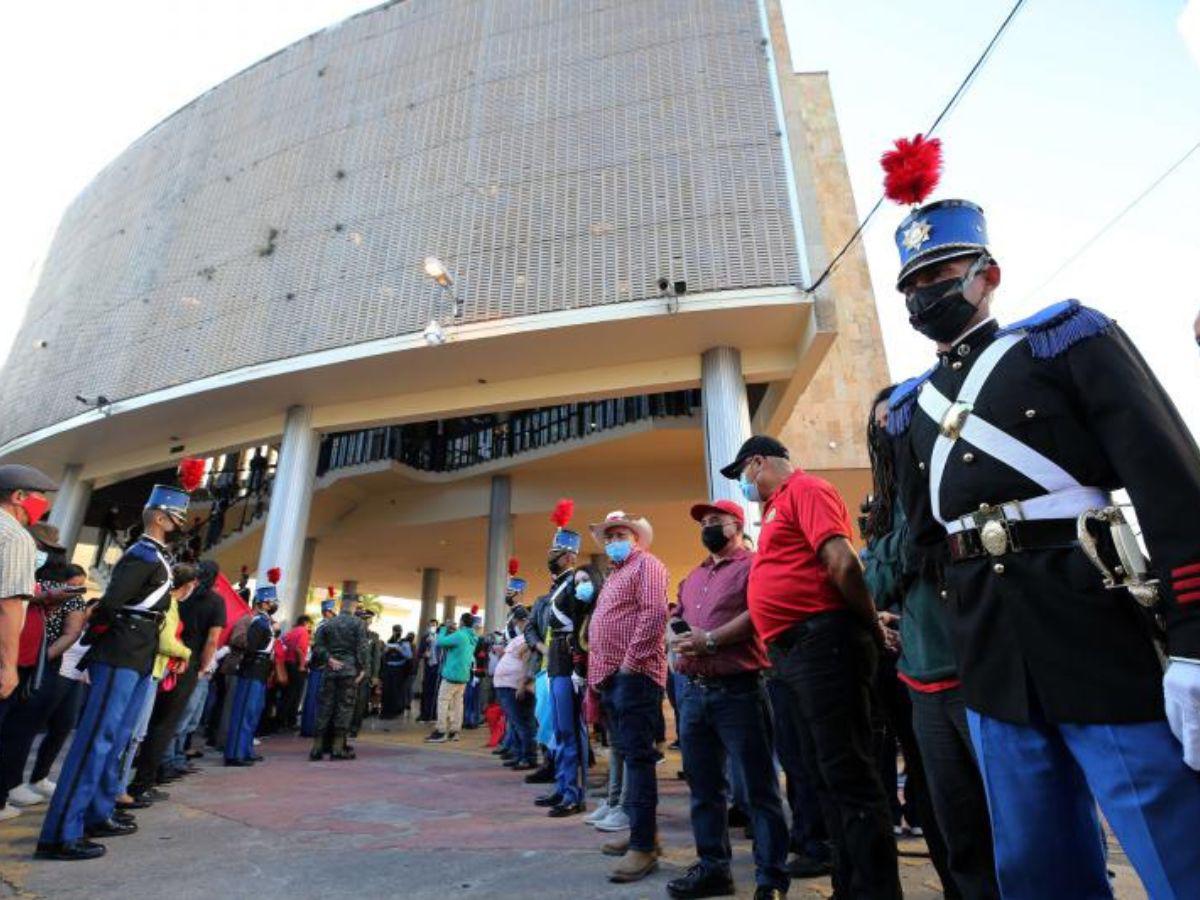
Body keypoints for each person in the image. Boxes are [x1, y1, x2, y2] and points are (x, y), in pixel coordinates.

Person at [882, 169, 1200, 896]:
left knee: (1172, 843)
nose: (923, 294)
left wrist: (1192, 642)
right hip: (991, 652)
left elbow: (1170, 486)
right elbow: (927, 544)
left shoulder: (1062, 343)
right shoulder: (911, 410)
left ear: (987, 275)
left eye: (939, 273)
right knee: (1034, 864)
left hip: (1091, 627)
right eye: (911, 284)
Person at [722, 436, 901, 899]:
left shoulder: (807, 490)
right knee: (821, 777)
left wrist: (870, 625)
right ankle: (849, 886)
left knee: (849, 775)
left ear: (759, 461)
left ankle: (874, 891)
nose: (745, 484)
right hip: (793, 655)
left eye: (743, 473)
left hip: (823, 645)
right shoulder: (777, 507)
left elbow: (842, 564)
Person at [862, 388, 998, 900]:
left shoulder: (956, 479)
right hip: (921, 680)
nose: (888, 434)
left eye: (897, 423)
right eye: (880, 427)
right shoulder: (887, 505)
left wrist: (911, 544)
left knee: (1013, 818)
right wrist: (912, 541)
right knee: (956, 826)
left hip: (978, 676)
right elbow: (875, 579)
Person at [36, 466, 199, 861]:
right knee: (98, 739)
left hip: (139, 653)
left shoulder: (158, 557)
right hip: (122, 650)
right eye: (177, 518)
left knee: (118, 738)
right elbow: (111, 604)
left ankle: (96, 811)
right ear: (160, 517)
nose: (180, 525)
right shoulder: (142, 555)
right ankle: (61, 832)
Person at [667, 499, 790, 900]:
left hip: (739, 691)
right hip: (694, 695)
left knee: (758, 789)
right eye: (703, 522)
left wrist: (712, 639)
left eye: (715, 521)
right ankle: (714, 868)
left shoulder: (754, 566)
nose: (707, 527)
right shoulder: (694, 576)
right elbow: (677, 616)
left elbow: (759, 613)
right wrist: (677, 637)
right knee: (704, 789)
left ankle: (770, 877)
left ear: (736, 525)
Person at [586, 510, 669, 884]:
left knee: (638, 758)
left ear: (635, 538)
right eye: (608, 536)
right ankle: (642, 833)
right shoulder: (616, 575)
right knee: (628, 755)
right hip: (614, 679)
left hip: (634, 677)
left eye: (620, 534)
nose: (613, 541)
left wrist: (630, 665)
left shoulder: (647, 565)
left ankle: (643, 847)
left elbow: (653, 614)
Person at [0, 546, 87, 818]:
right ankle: (10, 787)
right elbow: (72, 632)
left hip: (23, 658)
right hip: (32, 663)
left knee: (17, 728)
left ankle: (11, 786)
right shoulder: (50, 592)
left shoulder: (28, 584)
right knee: (20, 729)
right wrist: (44, 657)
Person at [117, 564, 194, 806]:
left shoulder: (170, 604)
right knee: (133, 734)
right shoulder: (168, 604)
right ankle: (116, 791)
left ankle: (118, 789)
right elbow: (165, 641)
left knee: (135, 733)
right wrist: (186, 653)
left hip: (153, 669)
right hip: (148, 671)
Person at [537, 502, 590, 817]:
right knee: (559, 728)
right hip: (555, 658)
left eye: (555, 551)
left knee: (571, 728)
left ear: (569, 555)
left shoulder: (578, 581)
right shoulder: (558, 586)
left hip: (569, 657)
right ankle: (562, 786)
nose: (550, 557)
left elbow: (585, 618)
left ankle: (574, 793)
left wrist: (580, 661)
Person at [159, 559, 226, 777]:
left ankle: (174, 758)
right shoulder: (215, 601)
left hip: (172, 658)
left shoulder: (183, 596)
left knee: (172, 715)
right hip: (193, 661)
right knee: (183, 717)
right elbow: (212, 639)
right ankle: (168, 761)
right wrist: (204, 668)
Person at [0, 464, 57, 709]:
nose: (44, 504)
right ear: (18, 496)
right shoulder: (16, 536)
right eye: (40, 497)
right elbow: (8, 604)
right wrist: (8, 666)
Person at [224, 573, 280, 766]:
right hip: (253, 668)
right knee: (244, 712)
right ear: (264, 603)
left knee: (253, 712)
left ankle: (245, 749)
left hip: (261, 670)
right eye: (272, 601)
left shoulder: (265, 622)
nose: (274, 605)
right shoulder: (258, 621)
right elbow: (252, 647)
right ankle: (235, 753)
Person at [309, 593, 368, 760]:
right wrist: (362, 669)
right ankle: (337, 748)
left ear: (341, 605)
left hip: (330, 670)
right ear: (355, 605)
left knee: (325, 706)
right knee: (345, 708)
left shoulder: (328, 623)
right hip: (349, 671)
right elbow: (362, 649)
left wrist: (329, 659)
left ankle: (317, 748)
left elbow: (317, 647)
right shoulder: (358, 624)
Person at [493, 605, 537, 771]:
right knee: (516, 723)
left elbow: (526, 659)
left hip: (514, 685)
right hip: (507, 685)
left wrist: (522, 683)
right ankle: (519, 754)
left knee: (522, 723)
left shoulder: (529, 636)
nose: (516, 626)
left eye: (518, 622)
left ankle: (528, 757)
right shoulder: (522, 637)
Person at [426, 611, 478, 743]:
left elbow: (440, 642)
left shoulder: (460, 635)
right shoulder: (472, 636)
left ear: (461, 622)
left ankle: (441, 731)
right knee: (457, 705)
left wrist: (444, 628)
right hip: (464, 676)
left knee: (443, 701)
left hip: (451, 675)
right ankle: (455, 732)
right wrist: (453, 630)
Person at [300, 591, 338, 738]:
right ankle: (310, 728)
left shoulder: (325, 625)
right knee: (314, 698)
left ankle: (313, 727)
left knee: (318, 698)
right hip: (320, 665)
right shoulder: (324, 626)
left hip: (322, 664)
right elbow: (320, 647)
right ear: (327, 612)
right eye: (333, 611)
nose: (335, 614)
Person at [350, 606, 382, 736]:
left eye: (368, 620)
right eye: (363, 619)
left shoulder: (373, 637)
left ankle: (354, 728)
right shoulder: (350, 635)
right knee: (347, 701)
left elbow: (376, 658)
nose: (366, 622)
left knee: (360, 702)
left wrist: (375, 675)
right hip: (349, 672)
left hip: (365, 674)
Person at [380, 624, 412, 719]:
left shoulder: (404, 642)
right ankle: (385, 711)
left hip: (399, 670)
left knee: (396, 691)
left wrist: (399, 649)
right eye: (395, 630)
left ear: (401, 632)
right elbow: (383, 655)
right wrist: (386, 650)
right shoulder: (389, 641)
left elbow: (409, 656)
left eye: (398, 631)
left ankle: (394, 711)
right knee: (387, 691)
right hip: (388, 669)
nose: (396, 632)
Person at [417, 618, 441, 723]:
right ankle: (424, 714)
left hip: (437, 666)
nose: (432, 627)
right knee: (426, 690)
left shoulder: (441, 638)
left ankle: (434, 715)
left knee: (436, 691)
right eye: (431, 625)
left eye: (434, 625)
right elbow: (419, 653)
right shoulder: (424, 638)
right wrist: (424, 654)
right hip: (428, 666)